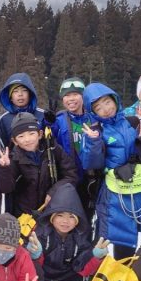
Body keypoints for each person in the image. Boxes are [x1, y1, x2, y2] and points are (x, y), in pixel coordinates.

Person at [80, 82, 141, 259]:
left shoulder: (132, 121)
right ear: (93, 112)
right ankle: (111, 273)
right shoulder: (95, 131)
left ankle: (140, 272)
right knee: (118, 234)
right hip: (114, 191)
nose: (105, 109)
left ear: (115, 99)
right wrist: (93, 143)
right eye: (98, 107)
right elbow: (91, 163)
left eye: (107, 102)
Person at [33, 181, 109, 281]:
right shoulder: (39, 234)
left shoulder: (80, 237)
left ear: (77, 219)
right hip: (41, 277)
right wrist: (35, 255)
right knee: (33, 266)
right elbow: (27, 263)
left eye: (71, 217)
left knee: (82, 272)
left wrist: (95, 257)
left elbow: (82, 267)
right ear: (51, 217)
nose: (65, 221)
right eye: (60, 215)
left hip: (63, 276)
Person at [0, 112, 78, 217]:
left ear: (40, 134)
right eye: (21, 136)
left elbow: (71, 175)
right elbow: (6, 188)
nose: (27, 139)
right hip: (24, 214)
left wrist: (54, 191)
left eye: (31, 133)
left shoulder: (53, 149)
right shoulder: (13, 158)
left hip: (52, 210)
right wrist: (4, 168)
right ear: (15, 141)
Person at [51, 77, 99, 223]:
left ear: (83, 96)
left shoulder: (94, 118)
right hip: (68, 178)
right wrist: (46, 122)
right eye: (66, 95)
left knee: (87, 218)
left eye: (75, 94)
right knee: (68, 219)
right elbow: (46, 140)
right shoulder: (59, 120)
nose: (71, 99)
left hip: (91, 178)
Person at [0, 72, 49, 148]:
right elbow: (2, 146)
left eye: (24, 90)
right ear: (10, 97)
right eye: (15, 91)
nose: (20, 94)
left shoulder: (43, 115)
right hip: (15, 159)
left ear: (30, 94)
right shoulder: (3, 120)